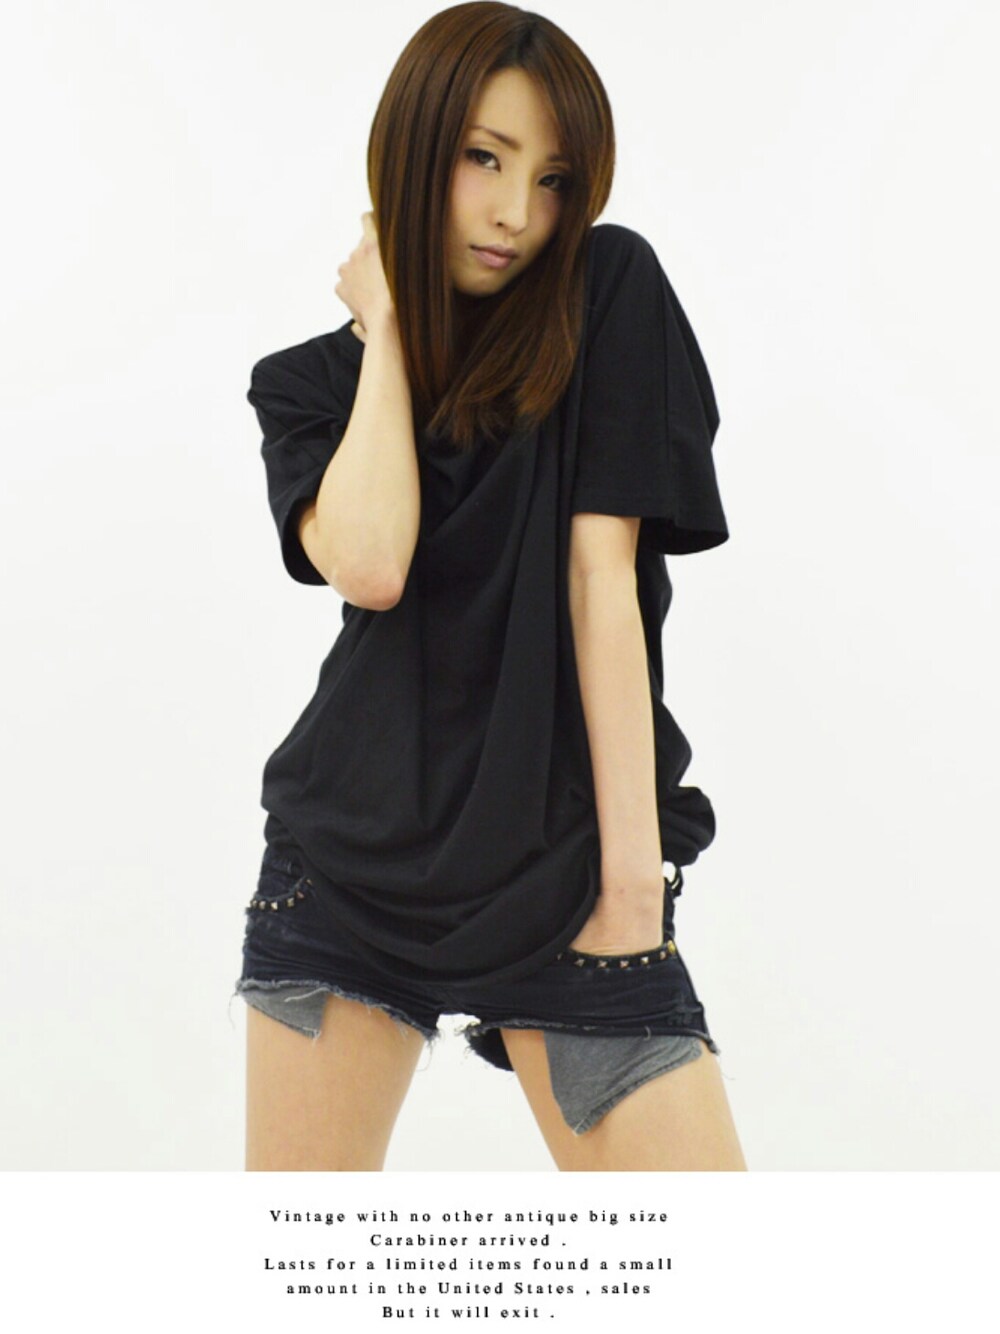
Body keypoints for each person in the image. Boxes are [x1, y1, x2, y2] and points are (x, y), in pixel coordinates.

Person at [234, 1, 747, 1172]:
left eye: (553, 178)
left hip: (571, 870)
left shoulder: (605, 291)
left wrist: (632, 889)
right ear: (414, 150)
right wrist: (391, 330)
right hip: (349, 869)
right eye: (484, 158)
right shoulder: (305, 387)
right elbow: (372, 564)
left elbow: (598, 578)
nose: (518, 211)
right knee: (293, 1259)